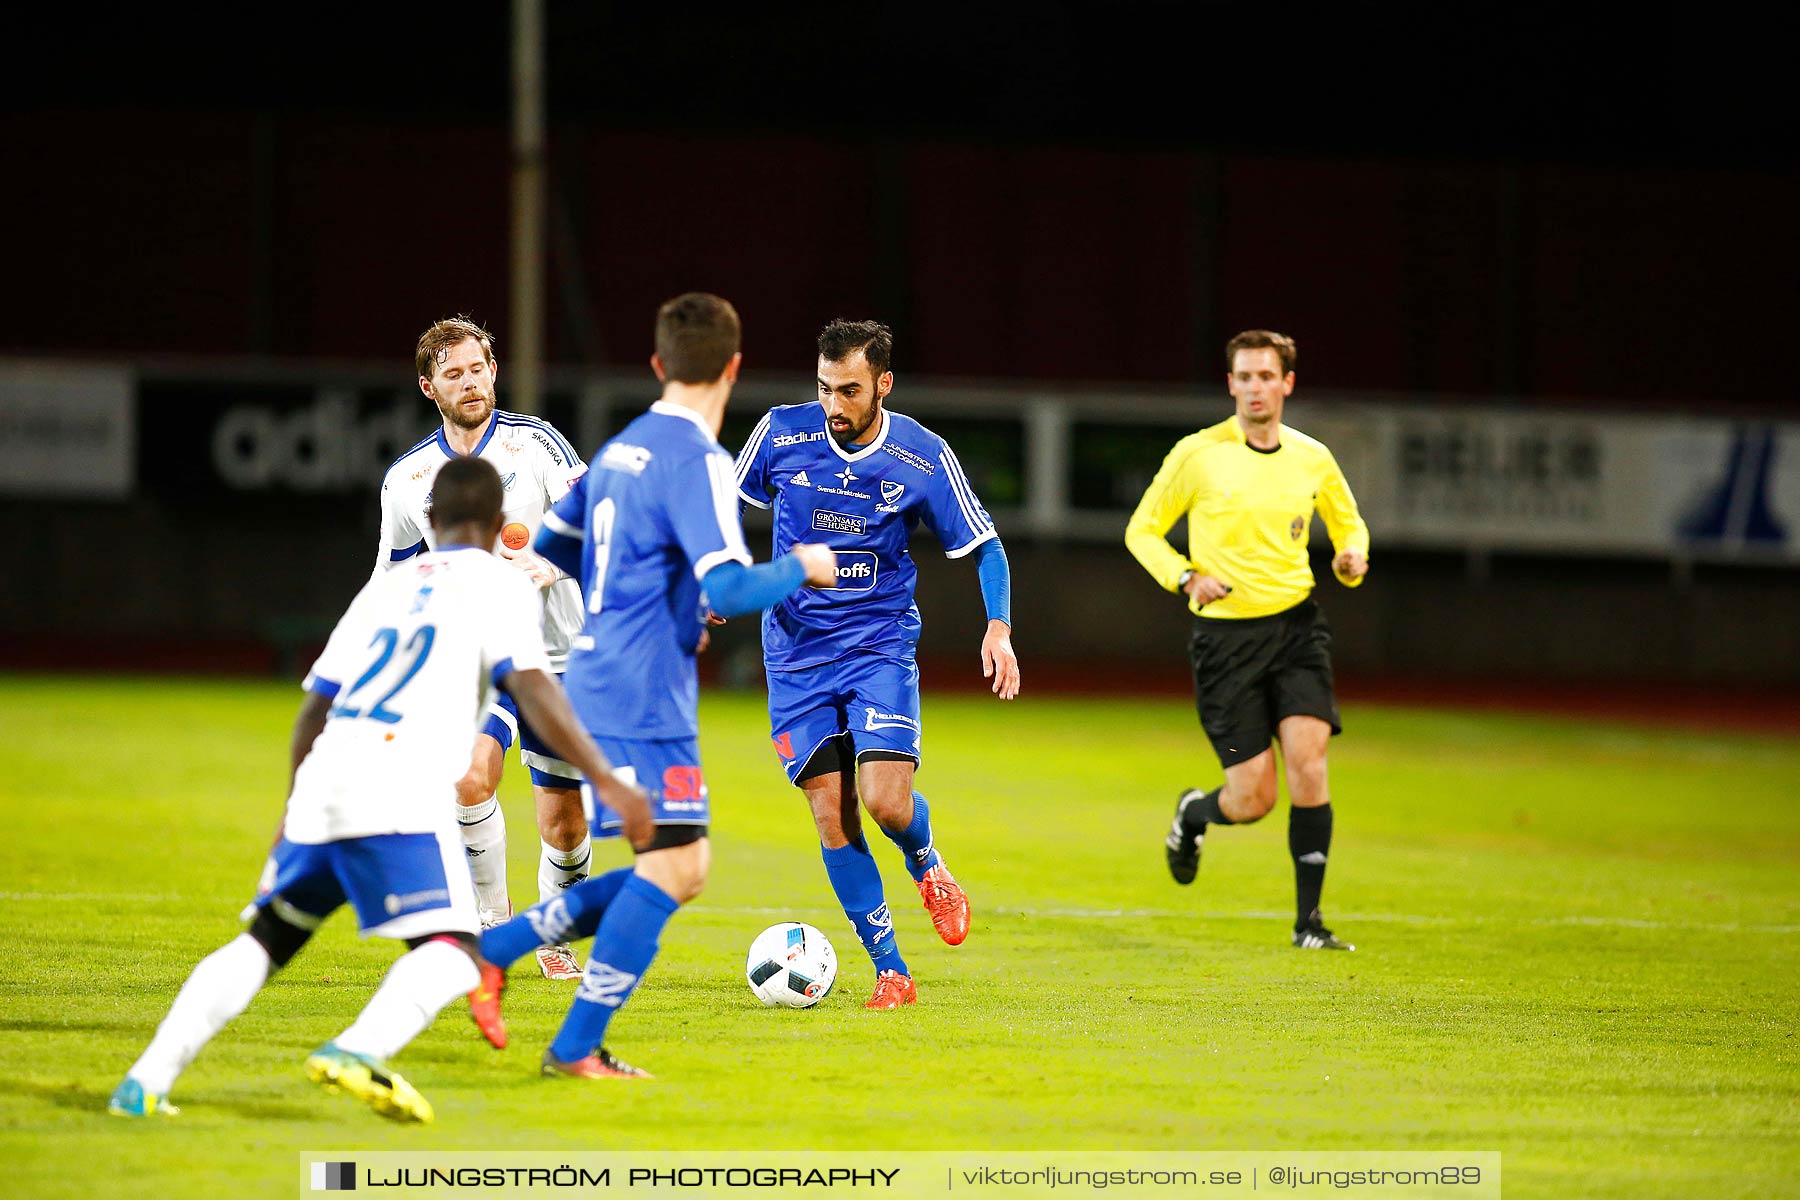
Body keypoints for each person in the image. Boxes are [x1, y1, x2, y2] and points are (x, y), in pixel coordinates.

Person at [109, 457, 650, 1122]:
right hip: (397, 789)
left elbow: (314, 707)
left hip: (324, 781)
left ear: (430, 519)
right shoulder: (500, 585)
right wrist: (606, 781)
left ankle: (144, 1080)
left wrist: (291, 808)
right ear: (497, 524)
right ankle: (356, 1050)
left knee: (267, 940)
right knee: (456, 955)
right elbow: (535, 690)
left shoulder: (388, 589)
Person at [468, 293, 835, 1079]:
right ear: (734, 368)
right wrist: (801, 566)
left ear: (659, 365)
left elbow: (558, 547)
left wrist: (663, 599)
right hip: (638, 689)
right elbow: (733, 589)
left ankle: (496, 949)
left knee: (681, 866)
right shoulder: (698, 458)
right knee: (671, 868)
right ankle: (573, 1047)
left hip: (614, 675)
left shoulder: (622, 448)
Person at [732, 319, 1020, 1009]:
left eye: (851, 389)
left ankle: (927, 862)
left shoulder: (921, 457)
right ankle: (891, 970)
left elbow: (985, 545)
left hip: (877, 646)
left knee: (886, 804)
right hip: (795, 654)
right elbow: (721, 511)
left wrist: (999, 629)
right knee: (832, 812)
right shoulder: (779, 433)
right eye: (826, 387)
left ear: (883, 385)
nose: (835, 403)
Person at [1125, 329, 1370, 951]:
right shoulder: (1199, 453)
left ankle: (1308, 924)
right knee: (1255, 797)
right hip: (1226, 643)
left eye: (1267, 376)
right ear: (1230, 383)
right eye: (1244, 377)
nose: (1255, 387)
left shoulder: (1312, 457)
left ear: (1287, 383)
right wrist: (1185, 576)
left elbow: (1350, 528)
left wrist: (1351, 558)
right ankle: (1194, 814)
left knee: (1310, 767)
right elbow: (1143, 531)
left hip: (1296, 629)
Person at [376, 316, 593, 980]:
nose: (469, 382)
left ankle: (552, 933)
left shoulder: (537, 447)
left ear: (494, 370)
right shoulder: (408, 480)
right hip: (475, 658)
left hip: (557, 657)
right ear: (428, 386)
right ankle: (493, 932)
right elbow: (393, 578)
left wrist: (555, 565)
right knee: (470, 779)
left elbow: (595, 516)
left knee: (565, 829)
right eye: (453, 374)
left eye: (477, 368)